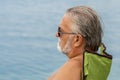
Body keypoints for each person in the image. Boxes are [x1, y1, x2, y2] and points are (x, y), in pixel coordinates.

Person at [48, 6, 103, 80]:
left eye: (60, 31)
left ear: (77, 40)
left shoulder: (72, 68)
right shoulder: (94, 64)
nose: (57, 34)